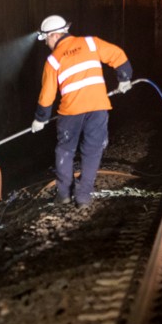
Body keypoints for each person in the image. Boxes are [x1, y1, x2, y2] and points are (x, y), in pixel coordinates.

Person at [30, 15, 133, 208]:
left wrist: (40, 118)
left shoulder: (53, 60)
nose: (46, 44)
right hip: (98, 107)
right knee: (92, 151)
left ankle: (63, 194)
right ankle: (83, 197)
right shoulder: (90, 43)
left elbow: (47, 94)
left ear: (53, 36)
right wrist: (124, 78)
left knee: (65, 150)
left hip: (71, 111)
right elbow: (117, 54)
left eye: (46, 40)